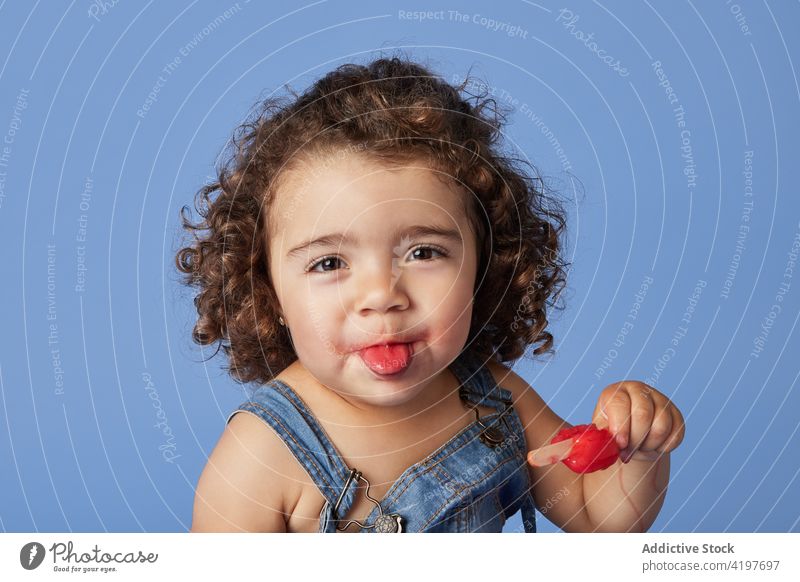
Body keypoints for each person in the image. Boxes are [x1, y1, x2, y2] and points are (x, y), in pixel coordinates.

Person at [176, 53, 685, 533]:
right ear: (270, 296)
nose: (381, 295)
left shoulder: (495, 402)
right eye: (329, 263)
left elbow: (602, 518)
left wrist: (636, 450)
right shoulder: (263, 454)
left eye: (423, 253)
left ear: (484, 267)